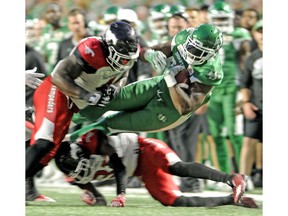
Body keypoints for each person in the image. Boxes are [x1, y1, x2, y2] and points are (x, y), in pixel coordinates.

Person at [26, 21, 140, 202]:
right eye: (121, 56)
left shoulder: (128, 55)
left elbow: (123, 74)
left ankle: (25, 187)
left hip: (73, 104)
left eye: (128, 57)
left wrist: (115, 88)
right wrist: (86, 95)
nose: (124, 60)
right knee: (45, 142)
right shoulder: (91, 49)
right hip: (58, 92)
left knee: (50, 149)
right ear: (109, 44)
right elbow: (58, 76)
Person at [69, 23, 224, 142]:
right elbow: (142, 53)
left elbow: (184, 107)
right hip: (158, 85)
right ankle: (61, 121)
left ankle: (67, 142)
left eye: (198, 51)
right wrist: (150, 54)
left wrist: (171, 79)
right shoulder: (184, 38)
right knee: (106, 101)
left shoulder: (210, 71)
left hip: (170, 111)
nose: (191, 51)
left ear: (212, 53)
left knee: (109, 124)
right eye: (191, 46)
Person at [55, 129, 258, 208]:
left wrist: (121, 195)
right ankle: (232, 200)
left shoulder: (91, 140)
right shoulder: (74, 176)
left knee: (175, 167)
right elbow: (99, 199)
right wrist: (94, 199)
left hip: (142, 149)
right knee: (171, 200)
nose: (82, 173)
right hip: (141, 171)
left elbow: (118, 166)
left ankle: (232, 178)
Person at [206, 1, 252, 174]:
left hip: (232, 89)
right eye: (217, 18)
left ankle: (243, 174)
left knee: (235, 133)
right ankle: (225, 175)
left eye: (224, 18)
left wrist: (243, 89)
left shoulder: (239, 34)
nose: (221, 21)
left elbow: (245, 63)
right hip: (211, 90)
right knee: (215, 134)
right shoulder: (206, 35)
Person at [239, 20, 263, 189]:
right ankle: (242, 180)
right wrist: (246, 103)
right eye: (260, 31)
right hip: (257, 106)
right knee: (248, 142)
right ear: (254, 34)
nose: (263, 35)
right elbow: (244, 84)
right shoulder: (252, 58)